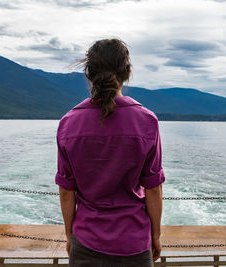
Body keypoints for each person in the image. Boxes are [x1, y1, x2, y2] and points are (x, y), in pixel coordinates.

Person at [55, 38, 165, 267]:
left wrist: (70, 236)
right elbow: (153, 189)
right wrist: (155, 236)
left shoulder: (68, 123)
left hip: (85, 243)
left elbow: (67, 192)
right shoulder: (147, 121)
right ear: (127, 72)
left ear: (89, 74)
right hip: (134, 244)